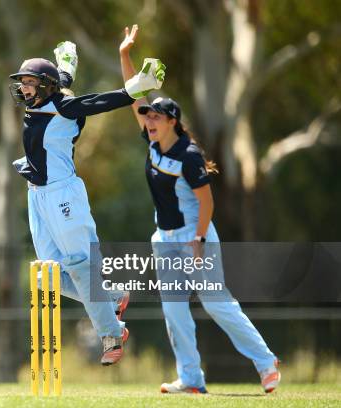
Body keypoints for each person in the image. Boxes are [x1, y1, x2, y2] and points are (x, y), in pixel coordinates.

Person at [118, 25, 281, 393]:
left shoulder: (189, 157)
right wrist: (124, 56)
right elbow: (133, 97)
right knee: (175, 312)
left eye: (155, 117)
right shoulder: (153, 142)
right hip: (164, 238)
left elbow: (207, 201)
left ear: (172, 121)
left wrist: (199, 239)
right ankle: (191, 379)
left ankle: (266, 361)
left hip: (195, 236)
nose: (148, 120)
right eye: (147, 117)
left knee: (217, 303)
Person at [9, 42, 165, 365]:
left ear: (44, 86)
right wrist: (65, 70)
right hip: (36, 196)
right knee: (47, 276)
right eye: (22, 82)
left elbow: (98, 103)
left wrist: (136, 88)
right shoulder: (48, 98)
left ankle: (111, 335)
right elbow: (58, 87)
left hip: (63, 195)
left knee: (81, 267)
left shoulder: (65, 108)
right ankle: (111, 297)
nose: (23, 88)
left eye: (28, 82)